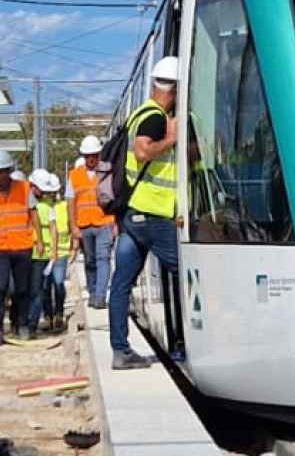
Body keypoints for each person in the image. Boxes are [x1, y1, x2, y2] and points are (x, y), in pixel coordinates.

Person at [109, 56, 183, 370]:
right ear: (176, 89)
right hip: (151, 215)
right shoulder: (154, 117)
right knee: (191, 273)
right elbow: (142, 151)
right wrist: (172, 138)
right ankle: (187, 342)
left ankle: (121, 351)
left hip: (133, 215)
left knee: (122, 283)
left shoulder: (138, 113)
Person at [0, 153, 37, 346]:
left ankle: (22, 324)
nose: (2, 175)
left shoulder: (25, 188)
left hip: (22, 246)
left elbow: (33, 214)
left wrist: (38, 239)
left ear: (10, 170)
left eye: (5, 171)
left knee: (22, 289)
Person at [69, 135, 116, 309]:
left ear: (99, 153)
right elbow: (70, 202)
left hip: (104, 223)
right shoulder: (74, 175)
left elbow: (115, 197)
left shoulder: (108, 171)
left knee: (103, 258)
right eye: (88, 155)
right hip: (84, 225)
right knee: (90, 261)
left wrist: (116, 223)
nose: (91, 159)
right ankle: (93, 290)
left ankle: (100, 296)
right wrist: (73, 227)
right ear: (83, 155)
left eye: (94, 155)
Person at [32, 170, 73, 334]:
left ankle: (59, 314)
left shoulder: (62, 207)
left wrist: (71, 246)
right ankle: (48, 315)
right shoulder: (41, 207)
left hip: (59, 253)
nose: (52, 195)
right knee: (45, 287)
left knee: (58, 284)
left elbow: (64, 226)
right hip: (45, 253)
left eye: (54, 192)